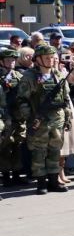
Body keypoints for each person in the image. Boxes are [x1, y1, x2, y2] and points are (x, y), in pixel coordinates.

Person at [15, 44, 72, 194]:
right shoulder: (29, 77)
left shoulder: (59, 75)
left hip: (56, 119)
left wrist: (67, 118)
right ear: (38, 59)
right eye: (47, 58)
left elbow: (65, 99)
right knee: (39, 152)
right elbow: (22, 100)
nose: (51, 60)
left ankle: (53, 181)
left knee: (55, 150)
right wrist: (31, 117)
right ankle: (41, 183)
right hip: (38, 121)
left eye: (53, 58)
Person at [0, 48, 26, 187]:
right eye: (8, 60)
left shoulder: (19, 76)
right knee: (5, 147)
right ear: (2, 62)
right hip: (4, 117)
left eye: (13, 60)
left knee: (17, 145)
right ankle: (5, 176)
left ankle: (16, 174)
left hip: (18, 116)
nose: (11, 63)